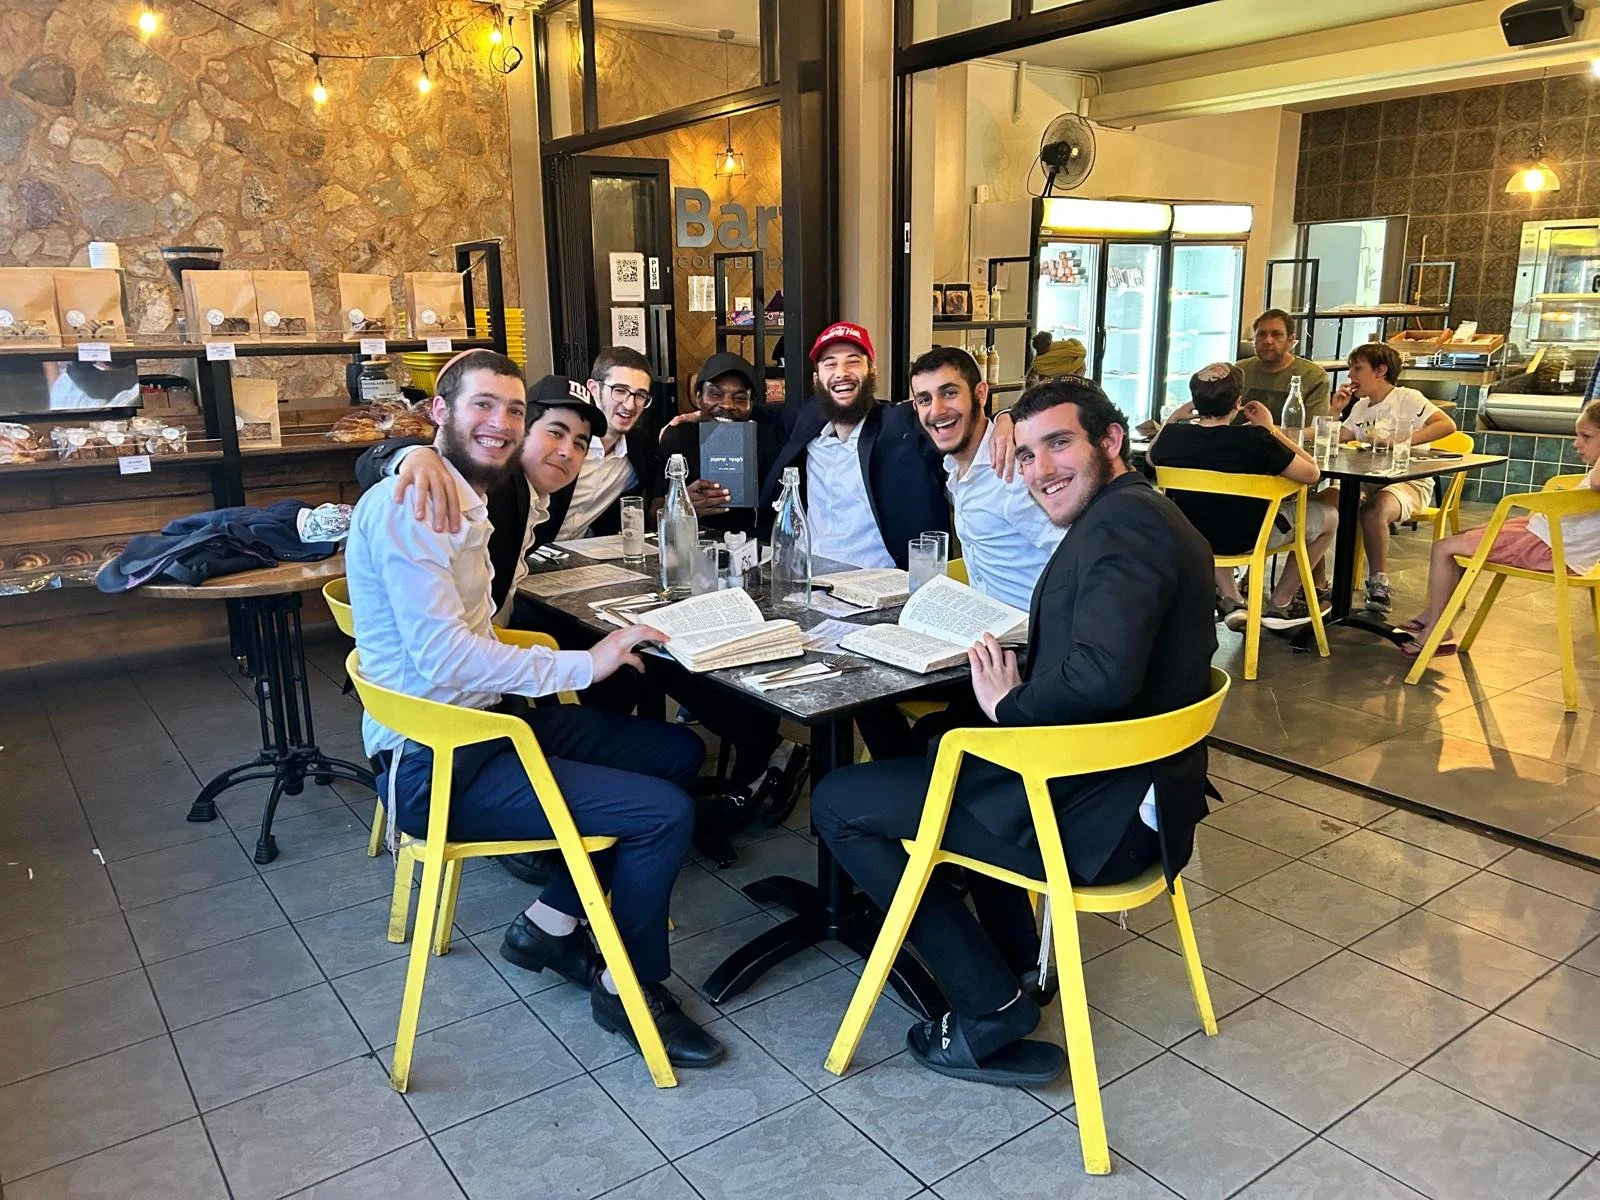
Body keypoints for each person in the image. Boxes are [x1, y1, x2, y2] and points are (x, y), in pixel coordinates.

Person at [811, 377, 1217, 1088]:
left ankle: (990, 1005)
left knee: (842, 802)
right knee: (941, 758)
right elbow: (1111, 653)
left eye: (1058, 445)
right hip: (1127, 787)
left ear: (1109, 441)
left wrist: (1009, 706)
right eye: (1026, 455)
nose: (1040, 470)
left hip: (1103, 820)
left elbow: (1100, 677)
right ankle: (1016, 967)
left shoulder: (1125, 526)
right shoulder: (1138, 512)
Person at [344, 350, 723, 1068]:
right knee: (662, 814)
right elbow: (446, 659)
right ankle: (627, 987)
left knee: (676, 753)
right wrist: (586, 661)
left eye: (512, 410)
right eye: (485, 405)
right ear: (440, 413)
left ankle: (549, 922)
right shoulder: (420, 503)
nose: (501, 423)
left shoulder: (469, 496)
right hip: (436, 760)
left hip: (491, 721)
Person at [1401, 400, 1600, 656]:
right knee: (1461, 538)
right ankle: (1436, 613)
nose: (1576, 443)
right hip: (1549, 537)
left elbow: (1596, 481)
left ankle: (1437, 628)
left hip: (1551, 549)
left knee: (1443, 548)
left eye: (1586, 436)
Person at [1147, 362, 1335, 630]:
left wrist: (1172, 420)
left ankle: (1233, 599)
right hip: (1250, 537)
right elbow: (1312, 473)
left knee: (1209, 517)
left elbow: (1152, 459)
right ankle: (1280, 603)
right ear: (1238, 402)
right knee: (1331, 518)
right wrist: (1272, 429)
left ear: (1195, 402)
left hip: (1193, 536)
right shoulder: (1257, 440)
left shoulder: (1173, 437)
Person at [760, 322, 952, 569]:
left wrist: (1003, 420)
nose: (841, 372)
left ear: (872, 372)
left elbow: (962, 423)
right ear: (817, 379)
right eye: (830, 363)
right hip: (810, 576)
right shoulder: (808, 419)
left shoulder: (901, 424)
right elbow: (760, 414)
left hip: (880, 582)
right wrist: (702, 416)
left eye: (853, 361)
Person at [910, 346, 1065, 611]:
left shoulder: (1013, 472)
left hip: (1032, 639)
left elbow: (1080, 557)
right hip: (990, 633)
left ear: (980, 394)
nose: (936, 410)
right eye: (925, 400)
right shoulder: (955, 469)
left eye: (949, 393)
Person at [1321, 341, 1457, 614]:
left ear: (1380, 370)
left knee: (1374, 511)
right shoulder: (1359, 407)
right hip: (1363, 479)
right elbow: (1336, 437)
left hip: (1406, 482)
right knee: (1320, 503)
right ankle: (1317, 585)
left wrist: (1399, 441)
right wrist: (1335, 410)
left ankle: (1378, 581)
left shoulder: (1408, 398)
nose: (1350, 376)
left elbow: (1446, 425)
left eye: (1357, 368)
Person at [653, 352, 784, 538]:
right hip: (695, 546)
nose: (727, 405)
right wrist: (682, 506)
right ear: (698, 397)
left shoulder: (768, 439)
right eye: (715, 394)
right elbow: (653, 514)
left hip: (754, 546)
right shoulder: (678, 437)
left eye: (739, 398)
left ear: (752, 403)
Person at [542, 346, 660, 543]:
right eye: (620, 391)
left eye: (640, 395)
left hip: (583, 557)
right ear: (594, 389)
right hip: (525, 554)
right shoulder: (563, 443)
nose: (630, 405)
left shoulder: (639, 448)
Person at [1236, 308, 1330, 424]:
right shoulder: (1239, 371)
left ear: (1290, 340)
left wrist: (1268, 430)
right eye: (1261, 334)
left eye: (1276, 335)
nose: (1268, 341)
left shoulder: (1313, 376)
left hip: (1286, 442)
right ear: (1253, 339)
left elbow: (1315, 430)